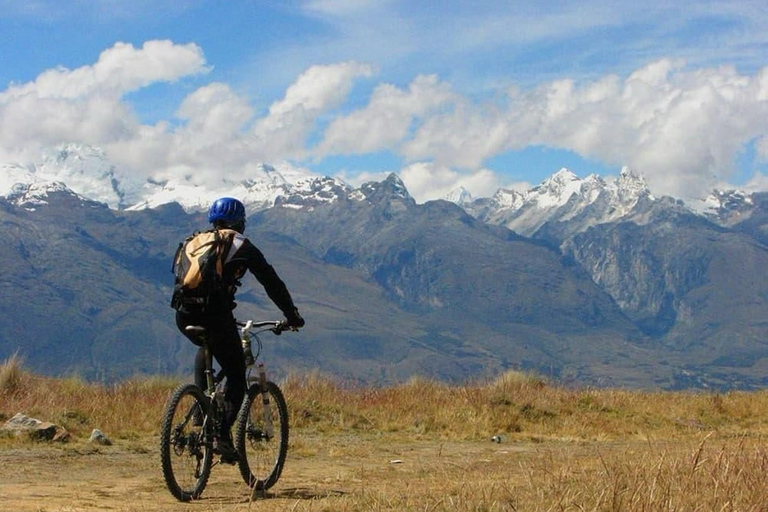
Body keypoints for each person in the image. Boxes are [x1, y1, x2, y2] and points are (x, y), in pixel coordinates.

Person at [174, 197, 304, 463]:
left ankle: (200, 411)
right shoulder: (240, 245)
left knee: (206, 344)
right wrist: (292, 316)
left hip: (184, 313)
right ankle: (221, 436)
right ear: (241, 223)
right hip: (215, 315)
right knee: (235, 374)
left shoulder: (195, 241)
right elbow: (271, 282)